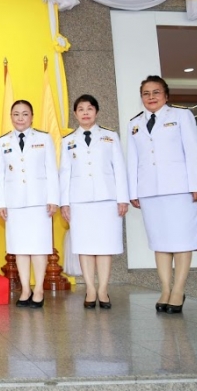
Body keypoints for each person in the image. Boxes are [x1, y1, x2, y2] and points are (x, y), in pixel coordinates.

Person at [127, 75, 197, 315]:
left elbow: (192, 150)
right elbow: (133, 159)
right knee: (159, 242)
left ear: (166, 95)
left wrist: (196, 184)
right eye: (146, 93)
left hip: (179, 189)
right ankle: (165, 289)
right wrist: (133, 190)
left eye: (156, 92)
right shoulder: (135, 123)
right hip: (149, 190)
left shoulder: (181, 116)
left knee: (181, 241)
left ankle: (179, 290)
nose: (151, 97)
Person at [59, 94, 129, 310]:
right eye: (81, 109)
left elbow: (119, 168)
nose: (86, 112)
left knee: (105, 246)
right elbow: (65, 173)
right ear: (75, 114)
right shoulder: (68, 141)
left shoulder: (110, 136)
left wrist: (122, 198)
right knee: (85, 247)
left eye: (90, 108)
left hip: (107, 200)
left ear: (96, 112)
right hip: (79, 201)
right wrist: (64, 203)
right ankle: (90, 289)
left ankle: (103, 289)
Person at [0, 100, 59, 309]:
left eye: (24, 114)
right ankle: (25, 290)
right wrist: (1, 203)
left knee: (39, 248)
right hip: (14, 203)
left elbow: (51, 171)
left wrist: (53, 199)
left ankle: (39, 290)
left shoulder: (44, 138)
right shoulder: (2, 142)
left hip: (39, 202)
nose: (20, 118)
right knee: (19, 248)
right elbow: (0, 174)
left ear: (32, 117)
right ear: (11, 117)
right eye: (16, 114)